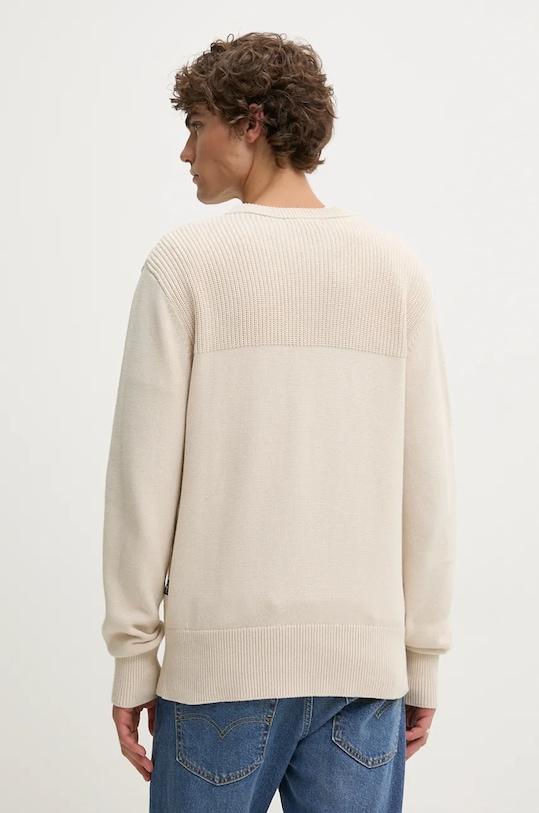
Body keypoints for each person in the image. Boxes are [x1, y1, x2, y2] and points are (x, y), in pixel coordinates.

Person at [100, 31, 456, 812]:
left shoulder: (184, 267)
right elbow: (428, 486)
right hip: (359, 674)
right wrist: (421, 656)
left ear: (250, 124)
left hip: (218, 676)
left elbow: (140, 484)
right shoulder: (394, 269)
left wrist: (133, 658)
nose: (186, 151)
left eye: (196, 125)